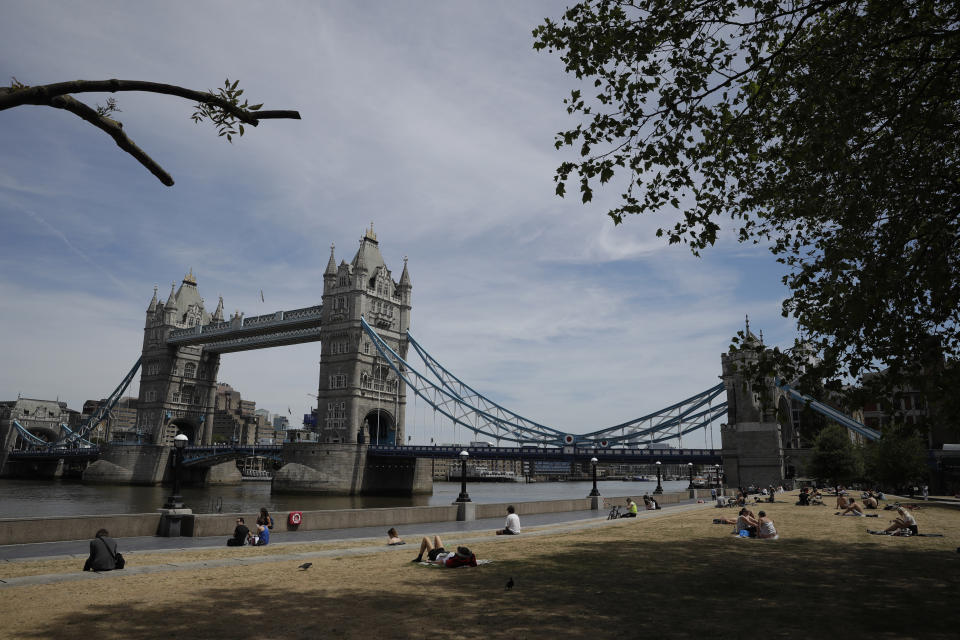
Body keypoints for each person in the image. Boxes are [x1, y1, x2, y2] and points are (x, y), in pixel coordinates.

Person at [412, 535, 478, 567]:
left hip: (435, 556)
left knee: (425, 538)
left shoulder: (453, 561)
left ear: (460, 555)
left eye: (458, 551)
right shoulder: (468, 558)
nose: (457, 552)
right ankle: (433, 550)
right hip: (443, 553)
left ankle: (419, 558)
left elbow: (441, 562)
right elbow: (473, 561)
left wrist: (430, 561)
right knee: (437, 536)